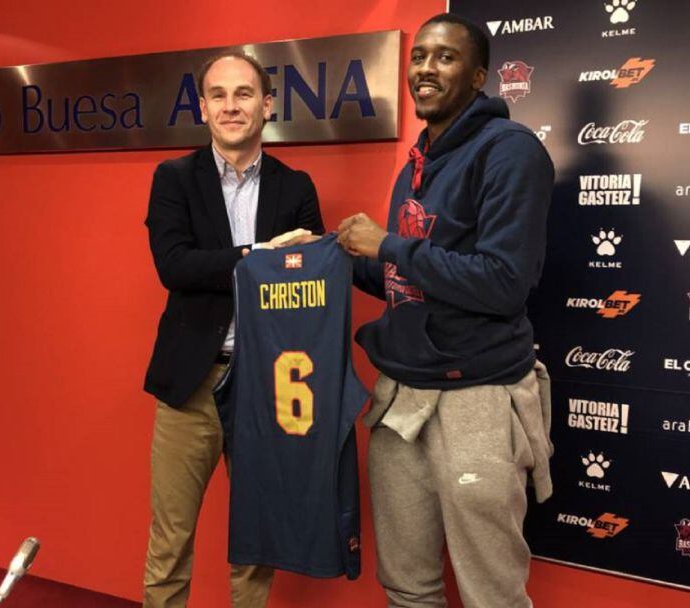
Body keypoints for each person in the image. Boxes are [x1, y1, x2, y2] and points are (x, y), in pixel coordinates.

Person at [336, 13, 555, 608]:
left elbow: (504, 283)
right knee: (407, 586)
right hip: (403, 391)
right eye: (419, 57)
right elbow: (408, 277)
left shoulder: (510, 152)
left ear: (479, 75)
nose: (425, 69)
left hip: (477, 395)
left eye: (446, 57)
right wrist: (327, 255)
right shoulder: (419, 158)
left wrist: (388, 244)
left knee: (492, 591)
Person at [142, 50, 324, 608]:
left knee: (256, 542)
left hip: (267, 386)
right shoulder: (173, 178)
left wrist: (285, 261)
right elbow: (174, 265)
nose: (230, 106)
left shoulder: (295, 187)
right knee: (170, 539)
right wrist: (258, 256)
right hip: (190, 385)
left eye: (243, 94)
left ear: (267, 104)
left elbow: (310, 282)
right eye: (218, 95)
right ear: (203, 107)